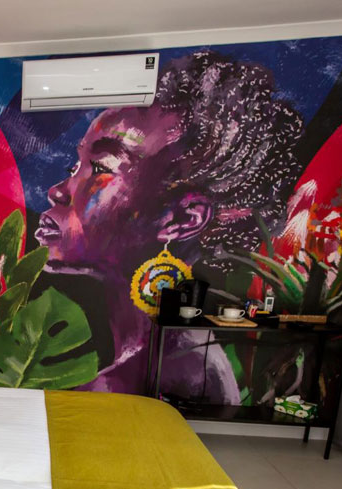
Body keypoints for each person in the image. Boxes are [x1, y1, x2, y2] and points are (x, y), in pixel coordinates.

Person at [35, 50, 303, 399]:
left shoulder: (165, 374)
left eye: (100, 168)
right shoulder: (130, 351)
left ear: (182, 219)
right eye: (75, 166)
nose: (57, 191)